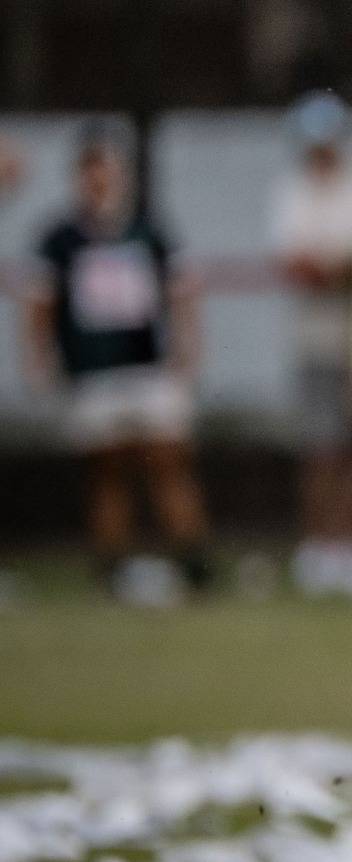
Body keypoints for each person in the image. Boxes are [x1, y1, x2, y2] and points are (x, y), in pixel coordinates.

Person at [23, 127, 211, 591]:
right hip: (91, 373)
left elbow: (182, 293)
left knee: (167, 462)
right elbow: (38, 307)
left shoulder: (149, 229)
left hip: (148, 367)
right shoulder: (60, 238)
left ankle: (192, 562)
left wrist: (188, 353)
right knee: (106, 472)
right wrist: (39, 360)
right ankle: (113, 566)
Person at [268, 91, 352, 593]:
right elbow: (294, 265)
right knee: (318, 446)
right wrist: (338, 266)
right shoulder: (291, 191)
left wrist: (333, 266)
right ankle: (320, 546)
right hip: (313, 339)